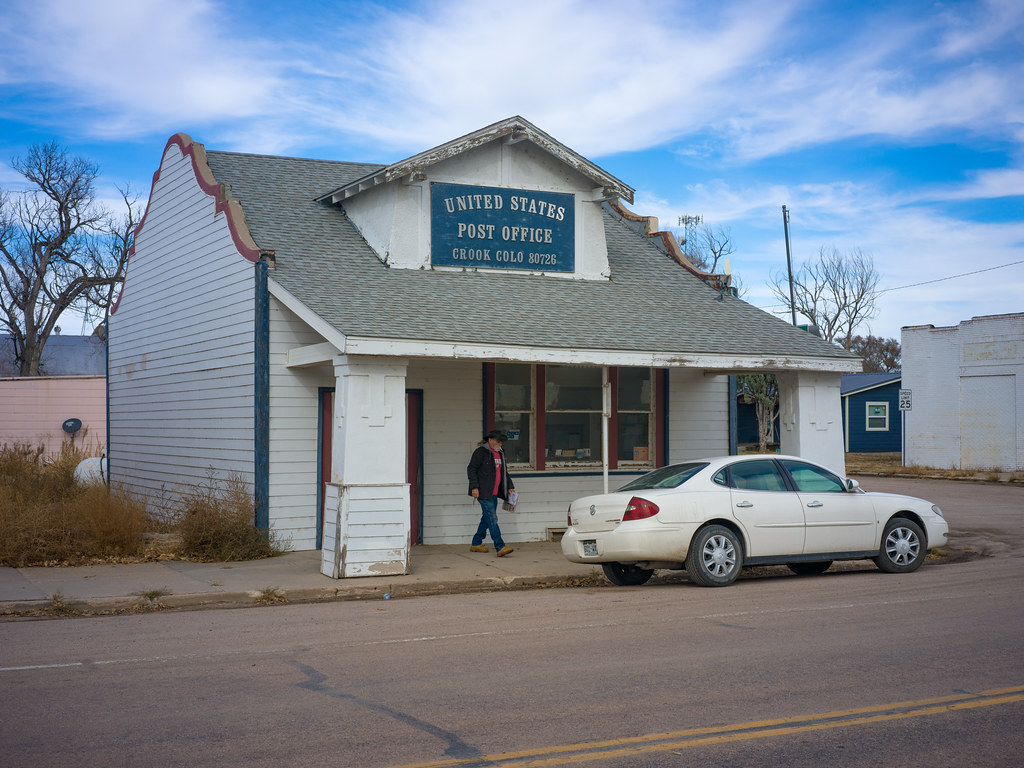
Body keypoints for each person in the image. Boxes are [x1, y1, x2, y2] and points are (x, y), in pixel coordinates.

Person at [466, 429, 515, 557]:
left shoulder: (500, 453)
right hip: (483, 491)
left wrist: (510, 486)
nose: (500, 444)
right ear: (490, 440)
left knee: (487, 518)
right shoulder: (481, 452)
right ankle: (500, 546)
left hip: (494, 492)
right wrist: (474, 487)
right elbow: (471, 469)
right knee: (492, 518)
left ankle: (476, 543)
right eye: (498, 441)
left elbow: (504, 472)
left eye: (501, 442)